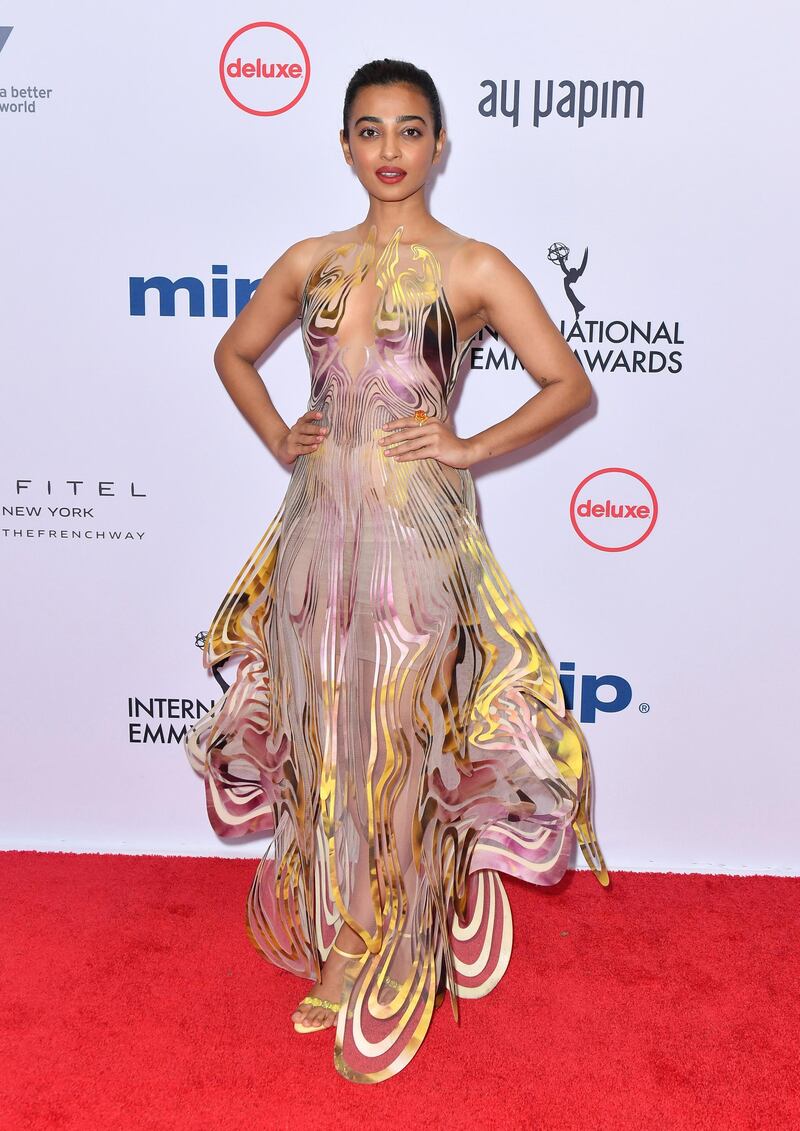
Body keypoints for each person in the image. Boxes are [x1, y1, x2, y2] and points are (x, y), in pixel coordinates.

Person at [185, 57, 610, 1085]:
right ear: (342, 144)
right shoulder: (310, 257)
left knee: (402, 735)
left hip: (418, 531)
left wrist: (464, 448)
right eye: (368, 130)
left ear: (438, 145)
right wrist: (281, 433)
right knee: (327, 736)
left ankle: (392, 926)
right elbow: (232, 354)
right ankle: (346, 934)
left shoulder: (472, 267)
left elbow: (567, 385)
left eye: (408, 130)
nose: (388, 150)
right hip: (316, 528)